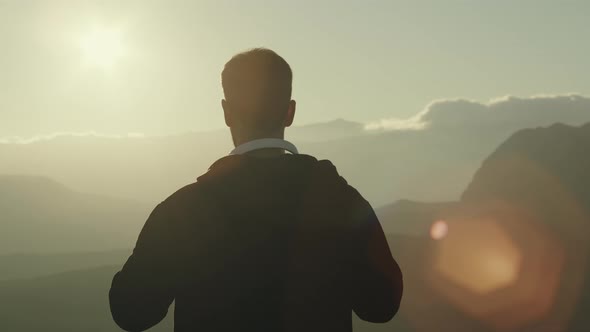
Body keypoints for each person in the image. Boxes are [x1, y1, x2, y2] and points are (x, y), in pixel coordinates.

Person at [109, 48, 403, 332]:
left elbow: (132, 312)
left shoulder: (181, 211)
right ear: (290, 112)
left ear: (226, 112)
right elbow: (381, 306)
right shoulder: (342, 202)